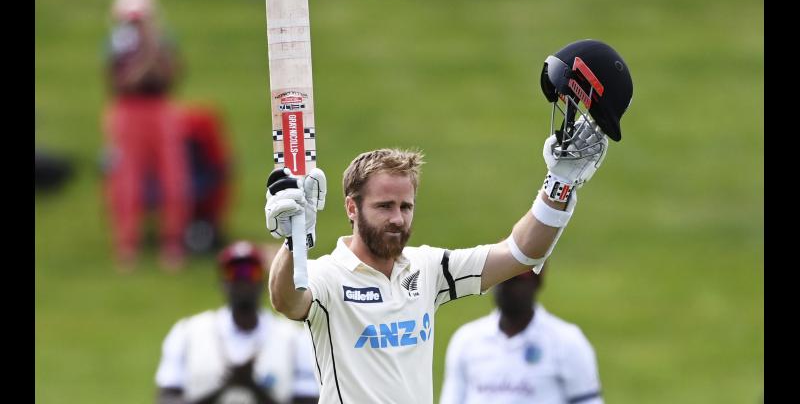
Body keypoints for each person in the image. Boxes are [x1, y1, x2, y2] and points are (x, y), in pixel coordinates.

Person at [264, 39, 633, 403]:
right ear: (351, 208)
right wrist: (293, 242)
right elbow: (287, 300)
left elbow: (522, 253)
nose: (397, 219)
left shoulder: (427, 269)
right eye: (384, 206)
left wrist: (560, 184)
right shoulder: (329, 277)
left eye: (405, 207)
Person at [154, 240, 320, 404]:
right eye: (234, 272)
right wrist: (227, 387)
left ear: (263, 281)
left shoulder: (294, 338)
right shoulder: (187, 333)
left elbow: (310, 401)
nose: (243, 279)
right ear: (222, 282)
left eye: (251, 271)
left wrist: (252, 387)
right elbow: (166, 398)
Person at [103, 0, 190, 272]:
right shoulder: (117, 44)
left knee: (173, 176)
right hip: (128, 110)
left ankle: (173, 242)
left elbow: (171, 74)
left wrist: (153, 48)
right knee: (127, 179)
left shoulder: (163, 42)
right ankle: (127, 244)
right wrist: (145, 60)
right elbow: (121, 83)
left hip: (160, 107)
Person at [439, 269, 603, 404]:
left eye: (515, 280)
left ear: (537, 283)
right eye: (500, 280)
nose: (505, 287)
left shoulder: (568, 341)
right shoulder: (466, 340)